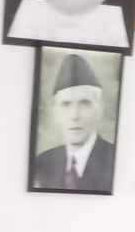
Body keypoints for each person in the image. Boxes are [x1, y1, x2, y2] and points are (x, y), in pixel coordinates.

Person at [32, 51, 115, 192]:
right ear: (55, 112)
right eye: (65, 104)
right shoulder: (41, 163)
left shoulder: (114, 159)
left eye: (85, 103)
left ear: (100, 108)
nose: (74, 115)